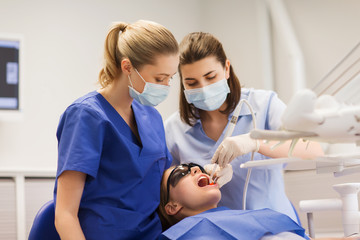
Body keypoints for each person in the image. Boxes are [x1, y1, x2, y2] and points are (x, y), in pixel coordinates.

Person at [164, 32, 324, 223]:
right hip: (221, 232)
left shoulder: (263, 104)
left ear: (227, 69)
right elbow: (169, 194)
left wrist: (255, 142)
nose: (204, 88)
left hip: (275, 227)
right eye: (192, 83)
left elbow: (313, 148)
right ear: (182, 83)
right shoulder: (174, 129)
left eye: (210, 77)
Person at [54, 20, 179, 239]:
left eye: (170, 78)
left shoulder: (152, 117)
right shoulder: (86, 116)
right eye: (159, 78)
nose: (166, 86)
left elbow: (160, 181)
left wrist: (206, 172)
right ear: (127, 67)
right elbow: (65, 214)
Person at [158, 163, 357, 240]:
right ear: (172, 206)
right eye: (181, 173)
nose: (196, 170)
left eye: (197, 167)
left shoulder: (243, 217)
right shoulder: (186, 235)